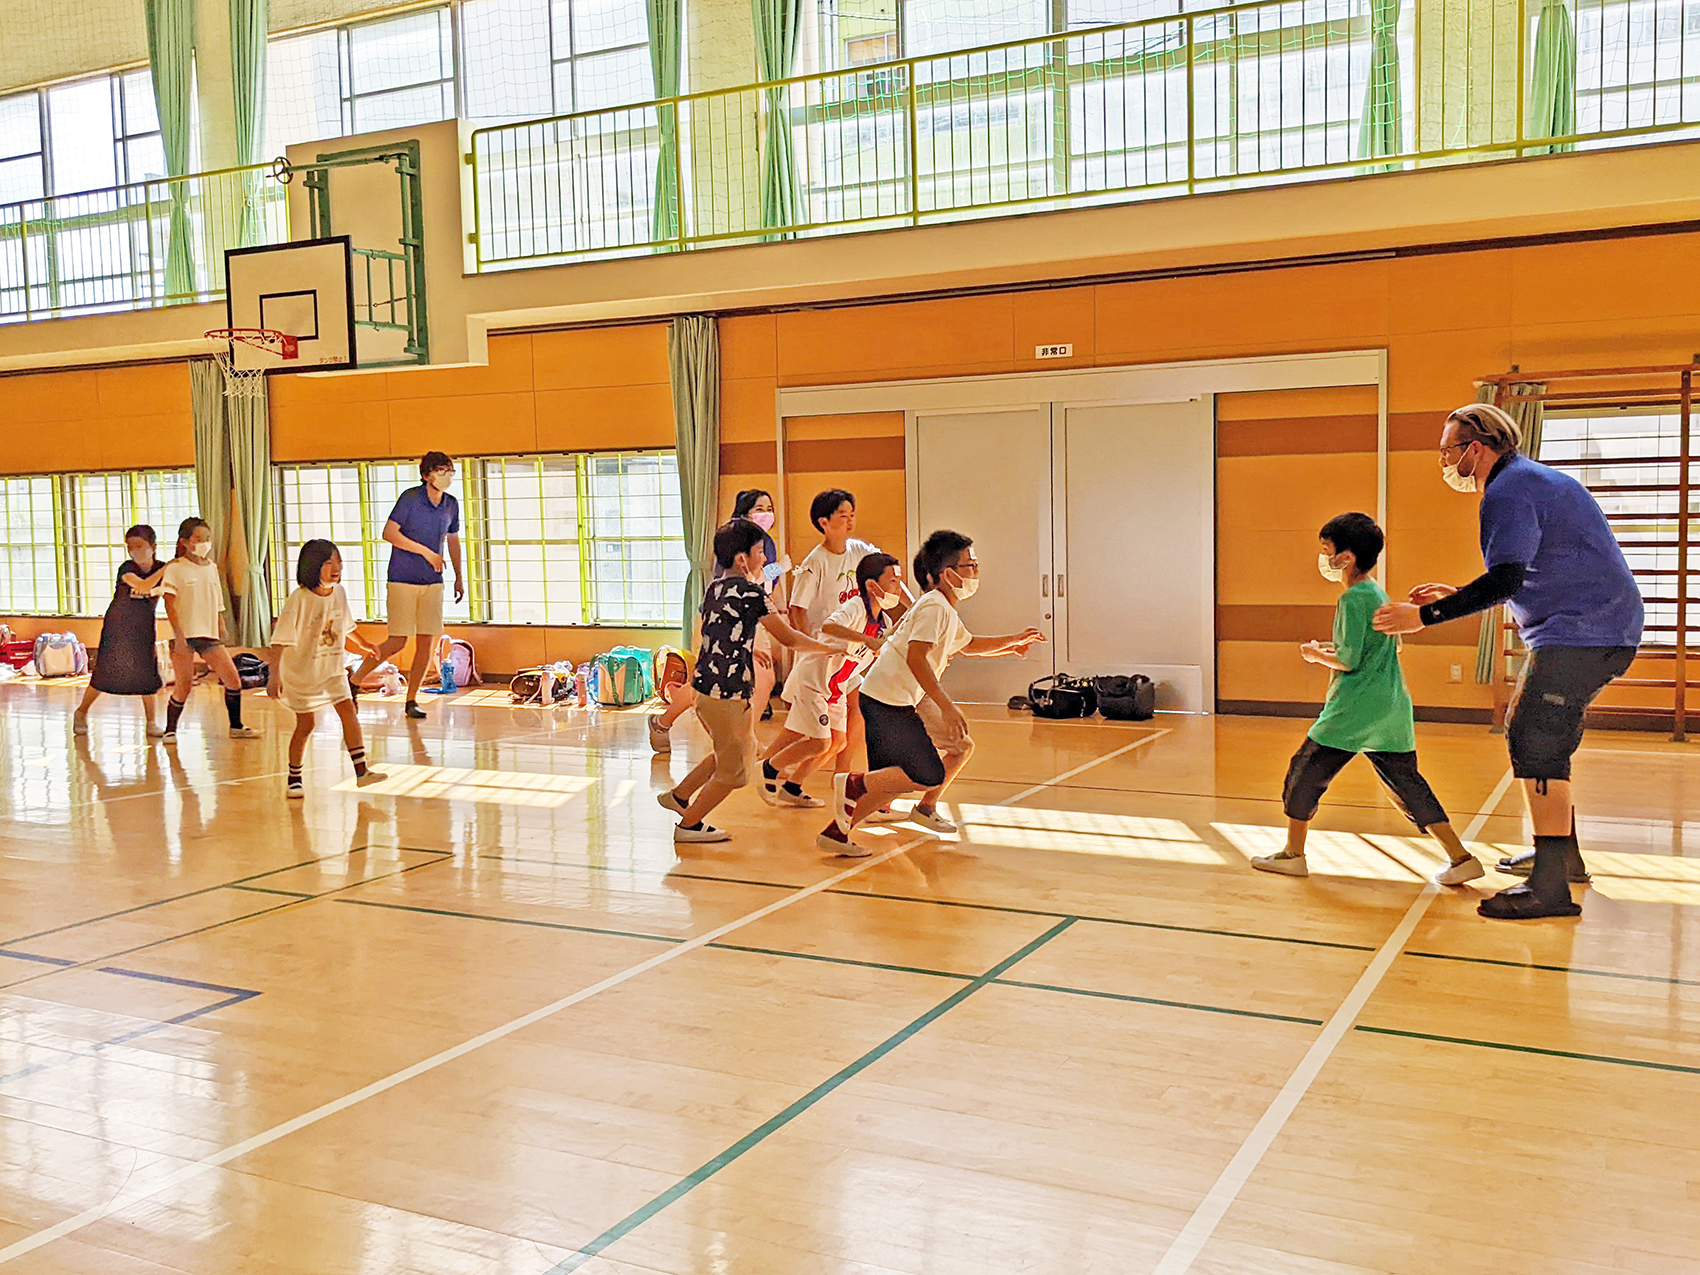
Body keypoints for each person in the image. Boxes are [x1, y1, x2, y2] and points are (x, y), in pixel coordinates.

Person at [1374, 402, 1643, 920]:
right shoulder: (1530, 481)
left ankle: (1549, 888)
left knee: (1535, 734)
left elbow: (1507, 580)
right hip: (1596, 625)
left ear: (1476, 448)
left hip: (1588, 630)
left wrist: (1425, 615)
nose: (1445, 460)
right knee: (1545, 735)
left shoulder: (1507, 490)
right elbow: (1541, 569)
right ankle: (1562, 861)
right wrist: (1456, 594)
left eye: (1449, 449)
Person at [1249, 513, 1483, 884]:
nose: (1324, 558)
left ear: (1347, 557)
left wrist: (1315, 654)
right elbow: (1384, 646)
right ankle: (1460, 857)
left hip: (1355, 707)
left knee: (1304, 772)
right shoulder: (1376, 593)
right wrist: (1334, 648)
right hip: (1391, 706)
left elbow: (1348, 659)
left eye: (1327, 550)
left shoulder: (1351, 599)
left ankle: (1292, 854)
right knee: (1405, 785)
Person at [819, 530, 1046, 857]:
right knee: (920, 773)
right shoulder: (934, 608)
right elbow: (916, 658)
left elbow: (969, 646)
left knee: (955, 749)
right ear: (948, 574)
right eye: (970, 565)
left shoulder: (943, 609)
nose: (976, 571)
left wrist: (1013, 643)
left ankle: (843, 831)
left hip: (905, 696)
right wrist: (947, 705)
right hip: (887, 698)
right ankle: (855, 783)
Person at [657, 520, 842, 844]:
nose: (763, 559)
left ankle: (680, 795)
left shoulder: (715, 587)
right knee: (736, 772)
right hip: (727, 695)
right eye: (760, 552)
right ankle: (689, 825)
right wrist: (827, 647)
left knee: (736, 750)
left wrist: (750, 649)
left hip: (704, 691)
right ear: (743, 558)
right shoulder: (751, 592)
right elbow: (788, 638)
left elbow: (718, 632)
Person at [648, 489, 790, 753]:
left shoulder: (765, 541)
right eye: (759, 509)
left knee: (763, 679)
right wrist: (778, 567)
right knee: (711, 680)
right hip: (727, 616)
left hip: (751, 614)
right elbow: (745, 581)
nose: (766, 513)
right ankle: (664, 722)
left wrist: (781, 609)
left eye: (769, 508)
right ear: (744, 513)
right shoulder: (733, 540)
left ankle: (745, 736)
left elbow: (768, 584)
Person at [761, 553, 902, 807]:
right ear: (872, 585)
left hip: (836, 686)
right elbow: (829, 627)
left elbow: (882, 651)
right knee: (819, 741)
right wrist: (865, 640)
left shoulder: (885, 622)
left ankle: (793, 787)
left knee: (838, 742)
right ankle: (769, 768)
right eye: (892, 580)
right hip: (815, 679)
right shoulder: (856, 606)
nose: (898, 587)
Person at [266, 539, 387, 799]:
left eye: (339, 562)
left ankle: (362, 771)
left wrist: (365, 646)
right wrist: (274, 676)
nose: (336, 567)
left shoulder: (339, 593)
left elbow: (347, 625)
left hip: (332, 668)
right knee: (306, 725)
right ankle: (294, 778)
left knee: (348, 710)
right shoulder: (299, 598)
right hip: (302, 673)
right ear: (312, 567)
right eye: (328, 562)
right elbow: (279, 640)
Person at [350, 451, 464, 720]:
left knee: (427, 642)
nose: (446, 475)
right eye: (440, 470)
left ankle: (411, 699)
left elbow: (453, 540)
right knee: (398, 641)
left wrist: (459, 575)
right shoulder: (411, 498)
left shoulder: (451, 504)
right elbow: (389, 533)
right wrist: (425, 552)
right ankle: (354, 680)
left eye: (450, 470)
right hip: (402, 578)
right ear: (426, 475)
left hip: (433, 582)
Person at [160, 517, 260, 743]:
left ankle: (236, 726)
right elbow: (169, 603)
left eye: (207, 539)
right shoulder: (175, 568)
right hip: (185, 635)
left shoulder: (211, 568)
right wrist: (179, 634)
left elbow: (216, 598)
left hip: (208, 635)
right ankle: (170, 730)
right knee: (183, 685)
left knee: (232, 679)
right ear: (185, 542)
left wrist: (220, 621)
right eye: (198, 539)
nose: (204, 543)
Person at [74, 524, 168, 738]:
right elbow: (144, 586)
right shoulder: (127, 568)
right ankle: (81, 712)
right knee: (105, 674)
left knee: (147, 674)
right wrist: (166, 569)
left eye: (139, 545)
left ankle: (151, 722)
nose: (134, 550)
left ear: (153, 546)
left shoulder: (162, 567)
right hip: (118, 626)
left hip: (143, 627)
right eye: (130, 546)